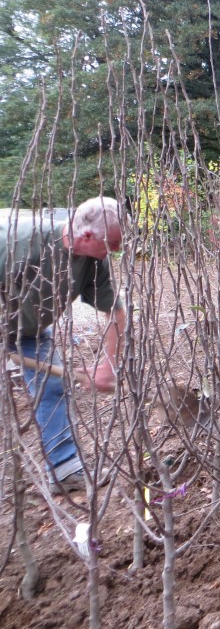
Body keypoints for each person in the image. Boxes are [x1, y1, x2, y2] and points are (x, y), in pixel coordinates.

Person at [1, 197, 126, 494]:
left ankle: (64, 470)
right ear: (86, 236)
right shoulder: (17, 242)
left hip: (28, 331)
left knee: (53, 389)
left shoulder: (93, 261)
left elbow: (115, 312)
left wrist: (108, 366)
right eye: (112, 244)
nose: (116, 251)